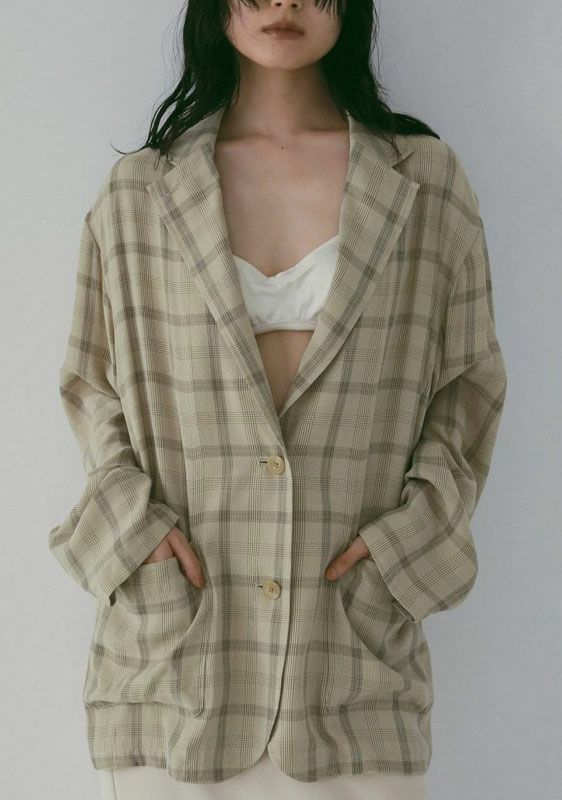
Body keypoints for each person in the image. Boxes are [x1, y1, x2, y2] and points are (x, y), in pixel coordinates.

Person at [49, 0, 508, 798]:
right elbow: (92, 389)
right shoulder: (140, 193)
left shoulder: (425, 182)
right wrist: (136, 534)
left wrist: (404, 545)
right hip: (176, 665)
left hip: (351, 666)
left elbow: (468, 390)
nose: (285, 2)